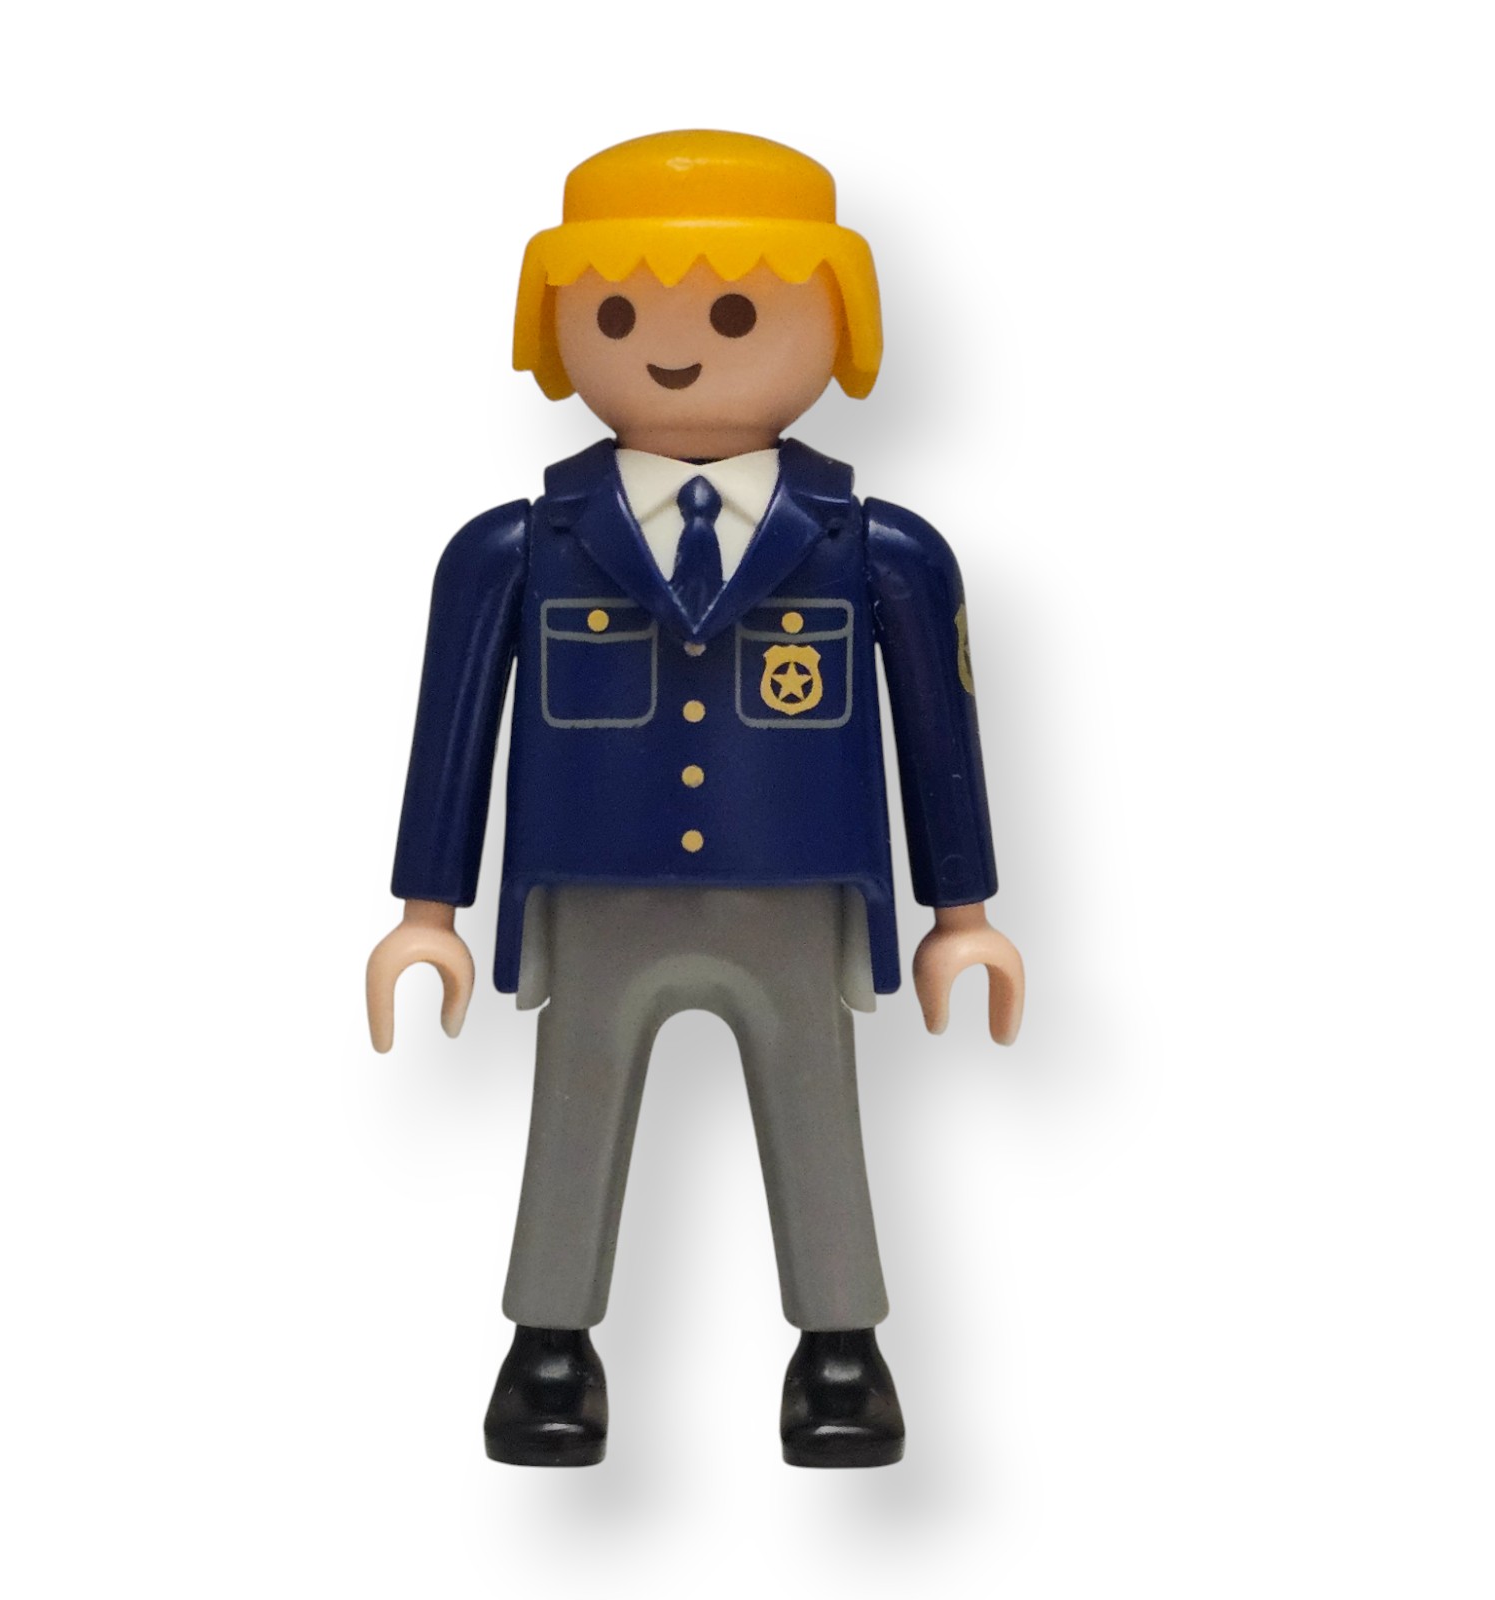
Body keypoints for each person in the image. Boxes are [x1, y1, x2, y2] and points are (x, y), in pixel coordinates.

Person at [366, 130, 1025, 1468]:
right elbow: (452, 730)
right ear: (556, 329)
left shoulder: (873, 549)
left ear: (840, 326)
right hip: (593, 884)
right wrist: (426, 910)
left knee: (815, 1101)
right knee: (577, 1100)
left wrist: (962, 912)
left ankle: (841, 1348)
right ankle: (549, 1344)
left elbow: (939, 731)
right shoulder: (521, 549)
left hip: (796, 887)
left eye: (735, 315)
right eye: (616, 315)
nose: (675, 350)